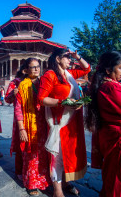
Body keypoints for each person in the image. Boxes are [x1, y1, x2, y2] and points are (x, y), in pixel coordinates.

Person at [38, 48, 91, 197]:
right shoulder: (50, 75)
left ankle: (66, 181)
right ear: (57, 59)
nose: (70, 60)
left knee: (69, 153)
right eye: (67, 57)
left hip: (74, 122)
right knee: (58, 155)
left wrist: (77, 56)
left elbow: (87, 69)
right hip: (59, 121)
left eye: (70, 58)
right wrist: (63, 102)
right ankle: (57, 189)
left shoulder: (70, 75)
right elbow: (42, 99)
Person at [86, 51, 121, 197]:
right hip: (120, 138)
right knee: (120, 179)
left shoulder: (109, 85)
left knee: (115, 175)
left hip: (116, 136)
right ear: (108, 70)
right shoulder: (111, 88)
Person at [15, 58, 51, 196]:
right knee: (31, 154)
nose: (36, 69)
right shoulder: (22, 86)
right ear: (26, 70)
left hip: (45, 123)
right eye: (32, 67)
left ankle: (44, 181)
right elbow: (18, 109)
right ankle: (31, 183)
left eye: (38, 66)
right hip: (29, 125)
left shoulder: (45, 83)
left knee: (44, 154)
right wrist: (21, 128)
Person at [5, 65, 25, 180]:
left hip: (34, 117)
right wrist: (14, 93)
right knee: (20, 143)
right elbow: (7, 99)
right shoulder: (15, 82)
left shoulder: (35, 81)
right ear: (24, 70)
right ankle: (19, 170)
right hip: (20, 116)